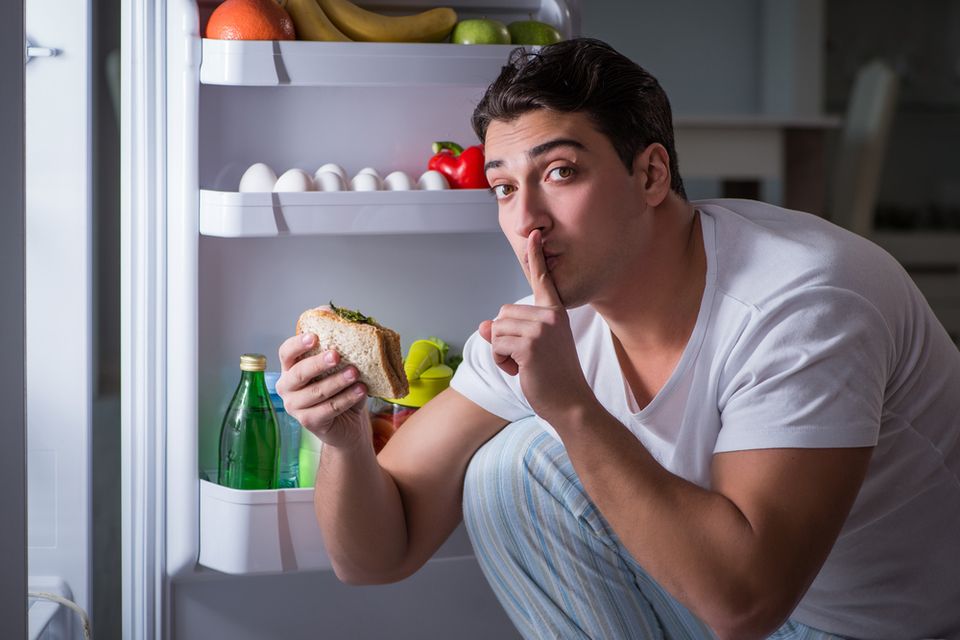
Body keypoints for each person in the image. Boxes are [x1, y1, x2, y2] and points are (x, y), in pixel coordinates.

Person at [276, 38, 960, 640]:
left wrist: (571, 406)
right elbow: (373, 558)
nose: (527, 221)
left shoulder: (802, 301)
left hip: (881, 626)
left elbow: (747, 603)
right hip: (725, 608)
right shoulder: (539, 327)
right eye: (503, 188)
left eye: (560, 173)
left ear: (651, 175)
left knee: (536, 448)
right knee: (509, 468)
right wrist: (342, 439)